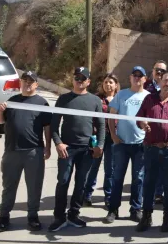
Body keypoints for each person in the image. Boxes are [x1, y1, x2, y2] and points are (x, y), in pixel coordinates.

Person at [49, 67, 105, 232]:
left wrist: (99, 145)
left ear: (88, 81)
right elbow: (54, 125)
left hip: (86, 149)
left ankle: (74, 214)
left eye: (83, 78)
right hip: (67, 149)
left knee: (81, 183)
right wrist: (58, 143)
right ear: (73, 80)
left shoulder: (95, 101)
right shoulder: (64, 99)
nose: (79, 81)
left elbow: (101, 125)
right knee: (63, 181)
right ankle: (59, 217)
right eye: (77, 78)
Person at [0, 71, 52, 232]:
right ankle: (3, 217)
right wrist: (0, 110)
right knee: (9, 186)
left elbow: (47, 127)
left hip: (33, 151)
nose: (27, 84)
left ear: (36, 85)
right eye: (25, 80)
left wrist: (47, 147)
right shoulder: (12, 101)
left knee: (34, 187)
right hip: (12, 151)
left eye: (31, 81)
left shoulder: (42, 104)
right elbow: (0, 121)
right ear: (21, 83)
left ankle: (33, 217)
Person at [135, 71, 168, 233]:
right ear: (160, 82)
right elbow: (139, 118)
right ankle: (146, 216)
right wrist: (143, 124)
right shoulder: (149, 99)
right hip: (151, 148)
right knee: (149, 182)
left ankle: (167, 217)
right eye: (165, 81)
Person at [103, 66, 150, 224]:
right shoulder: (121, 95)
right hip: (122, 144)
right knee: (117, 177)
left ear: (145, 79)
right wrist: (114, 135)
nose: (137, 78)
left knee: (138, 178)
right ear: (130, 78)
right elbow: (111, 116)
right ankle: (113, 209)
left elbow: (153, 120)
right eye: (134, 75)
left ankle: (135, 209)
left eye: (140, 76)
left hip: (140, 145)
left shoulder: (149, 97)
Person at [143, 60, 168, 203]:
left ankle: (159, 194)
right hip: (147, 136)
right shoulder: (145, 86)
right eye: (157, 70)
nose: (159, 73)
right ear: (152, 71)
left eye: (162, 71)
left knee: (165, 174)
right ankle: (146, 203)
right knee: (148, 172)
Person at [83, 72, 119, 208]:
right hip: (97, 137)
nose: (108, 85)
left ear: (116, 85)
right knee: (93, 167)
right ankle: (87, 194)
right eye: (106, 82)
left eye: (111, 82)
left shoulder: (119, 98)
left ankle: (108, 196)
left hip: (113, 137)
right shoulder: (96, 99)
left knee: (110, 169)